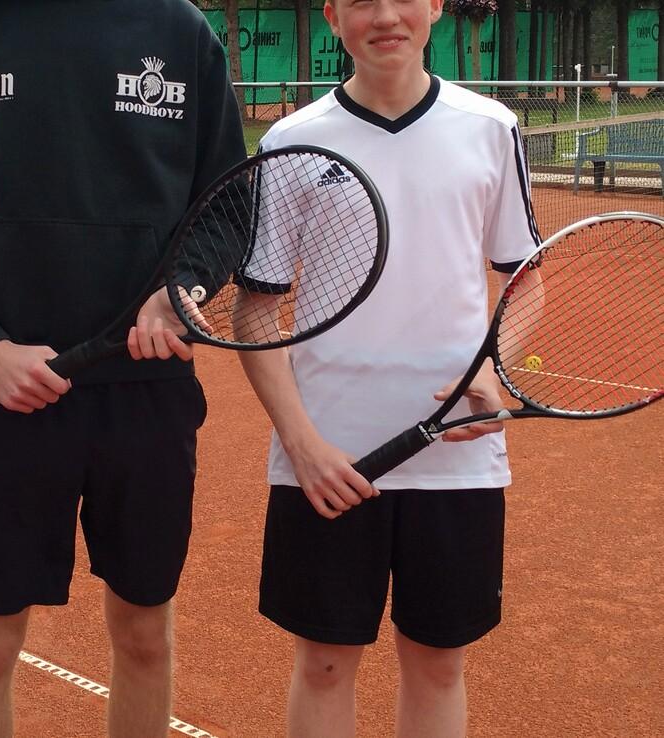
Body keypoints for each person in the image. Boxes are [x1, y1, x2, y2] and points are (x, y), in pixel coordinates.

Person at [0, 1, 246, 735]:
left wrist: (180, 286)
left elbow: (225, 203)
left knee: (143, 636)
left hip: (147, 396)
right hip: (6, 396)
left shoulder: (181, 32)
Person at [237, 0, 543, 735]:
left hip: (457, 461)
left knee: (437, 663)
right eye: (360, 1)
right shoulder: (290, 139)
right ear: (332, 14)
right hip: (328, 458)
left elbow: (525, 277)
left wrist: (496, 370)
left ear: (434, 5)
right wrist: (303, 446)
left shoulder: (489, 128)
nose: (384, 16)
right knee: (324, 662)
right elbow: (255, 309)